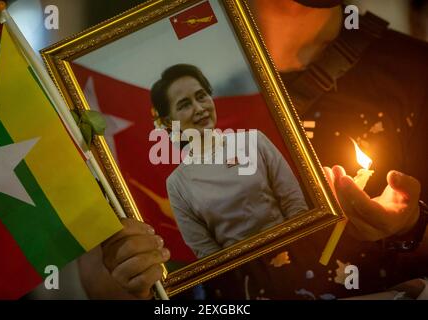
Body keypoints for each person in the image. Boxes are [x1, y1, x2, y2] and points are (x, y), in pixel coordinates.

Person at [79, 0, 428, 299]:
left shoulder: (415, 72)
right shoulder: (135, 77)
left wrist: (409, 227)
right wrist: (132, 274)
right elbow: (100, 275)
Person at [150, 64, 308, 259]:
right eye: (184, 105)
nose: (199, 109)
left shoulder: (254, 141)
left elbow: (295, 204)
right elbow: (205, 251)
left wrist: (300, 250)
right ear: (167, 122)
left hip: (298, 249)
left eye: (201, 96)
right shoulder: (177, 183)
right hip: (246, 276)